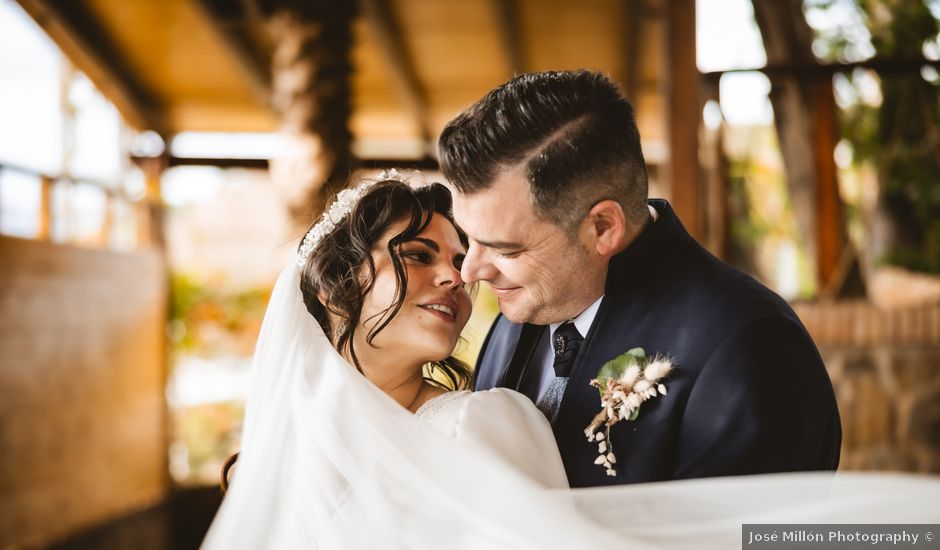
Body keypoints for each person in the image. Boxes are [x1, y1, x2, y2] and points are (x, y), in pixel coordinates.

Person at [202, 172, 939, 550]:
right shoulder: (285, 450)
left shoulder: (483, 424)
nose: (458, 277)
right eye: (418, 255)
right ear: (336, 289)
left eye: (460, 258)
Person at [437, 69, 842, 487]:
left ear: (602, 228)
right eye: (469, 237)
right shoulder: (519, 311)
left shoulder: (752, 347)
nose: (471, 270)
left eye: (506, 249)